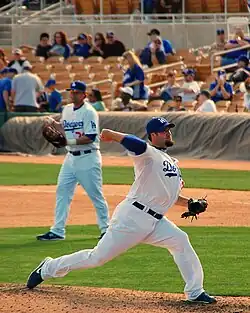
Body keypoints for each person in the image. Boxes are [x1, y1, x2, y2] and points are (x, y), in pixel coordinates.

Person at [27, 116, 217, 306]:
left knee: (180, 240)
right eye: (163, 130)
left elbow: (167, 195)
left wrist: (190, 203)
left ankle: (195, 291)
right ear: (153, 135)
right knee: (97, 258)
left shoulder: (170, 162)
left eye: (169, 129)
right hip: (132, 218)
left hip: (155, 221)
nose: (168, 132)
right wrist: (112, 135)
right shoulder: (147, 153)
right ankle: (48, 268)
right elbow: (136, 144)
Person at [36, 80, 109, 241]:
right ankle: (57, 231)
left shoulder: (89, 112)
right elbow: (65, 127)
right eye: (71, 91)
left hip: (88, 157)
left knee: (96, 195)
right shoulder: (67, 109)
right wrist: (53, 124)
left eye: (76, 92)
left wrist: (68, 142)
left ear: (84, 95)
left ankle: (106, 229)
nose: (73, 94)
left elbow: (90, 137)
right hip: (70, 158)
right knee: (62, 192)